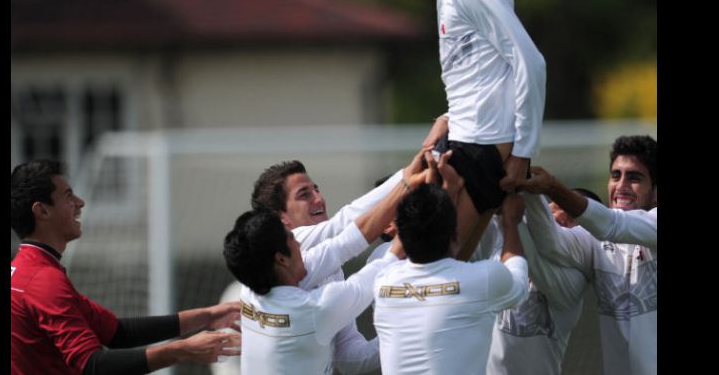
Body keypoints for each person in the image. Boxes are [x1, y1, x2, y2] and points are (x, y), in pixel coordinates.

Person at [354, 0, 547, 261]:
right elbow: (483, 72)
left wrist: (522, 152)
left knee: (433, 277)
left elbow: (530, 61)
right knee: (447, 279)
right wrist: (448, 118)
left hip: (480, 148)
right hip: (467, 143)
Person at [11, 159, 241, 375]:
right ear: (42, 211)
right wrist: (183, 350)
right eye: (68, 196)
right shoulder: (43, 280)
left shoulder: (26, 270)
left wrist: (207, 316)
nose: (80, 203)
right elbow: (93, 365)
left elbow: (118, 333)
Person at [248, 151, 426, 373]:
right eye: (304, 194)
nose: (318, 198)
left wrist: (409, 334)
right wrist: (407, 179)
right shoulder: (300, 243)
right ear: (281, 219)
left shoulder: (326, 267)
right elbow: (346, 227)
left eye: (317, 189)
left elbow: (349, 358)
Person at [372, 152, 529, 374]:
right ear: (455, 236)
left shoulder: (383, 282)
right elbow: (519, 282)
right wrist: (510, 222)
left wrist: (449, 190)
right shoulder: (483, 279)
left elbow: (428, 245)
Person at [519, 135, 657, 375]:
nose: (621, 186)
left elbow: (612, 224)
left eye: (634, 177)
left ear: (655, 192)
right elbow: (551, 241)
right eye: (616, 175)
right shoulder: (595, 240)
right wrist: (524, 185)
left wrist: (552, 187)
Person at [223, 209, 405, 374]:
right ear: (281, 259)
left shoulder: (249, 290)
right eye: (291, 237)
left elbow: (340, 246)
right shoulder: (316, 309)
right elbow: (367, 275)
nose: (298, 242)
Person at [485, 189, 602, 375]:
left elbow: (531, 254)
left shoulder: (573, 282)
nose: (560, 215)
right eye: (555, 207)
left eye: (573, 217)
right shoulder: (501, 243)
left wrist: (510, 204)